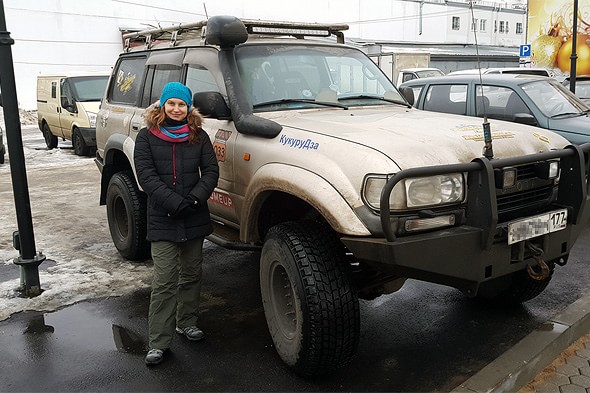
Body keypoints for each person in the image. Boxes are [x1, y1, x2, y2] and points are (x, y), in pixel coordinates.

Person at [133, 82, 219, 366]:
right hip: (163, 216)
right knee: (165, 280)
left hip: (193, 213)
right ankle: (158, 341)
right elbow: (146, 176)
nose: (176, 109)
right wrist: (173, 202)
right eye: (171, 103)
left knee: (192, 273)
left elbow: (210, 171)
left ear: (188, 108)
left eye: (182, 104)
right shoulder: (146, 137)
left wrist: (194, 199)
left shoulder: (199, 136)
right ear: (162, 105)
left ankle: (187, 322)